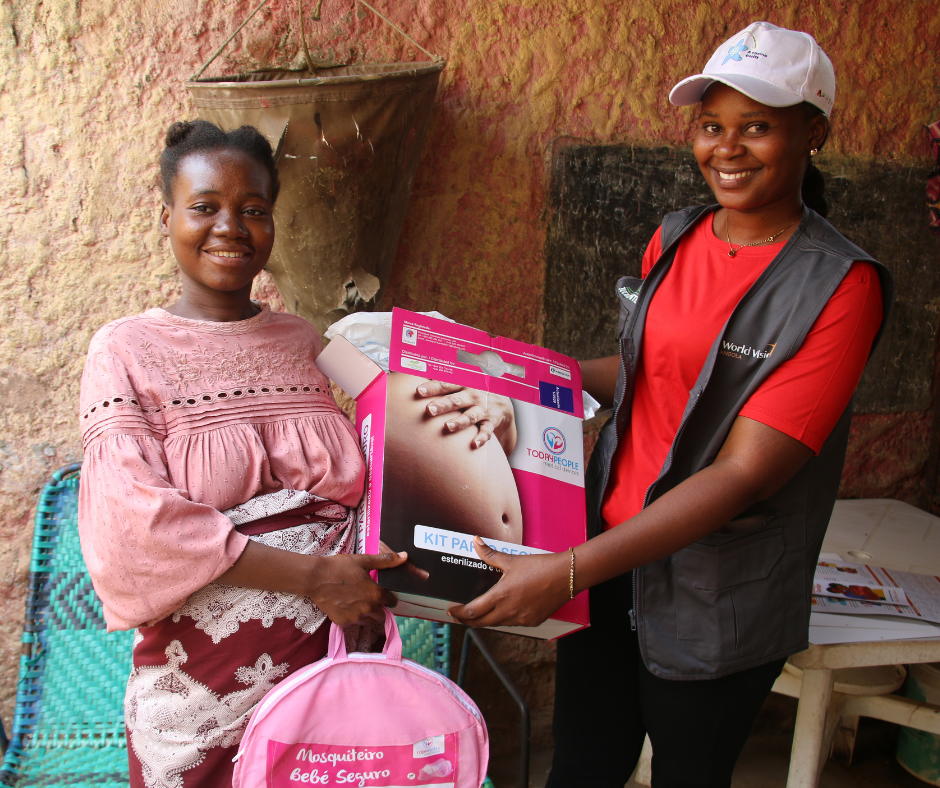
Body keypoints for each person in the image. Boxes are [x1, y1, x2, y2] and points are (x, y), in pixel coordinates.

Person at [445, 22, 894, 787]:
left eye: (757, 127)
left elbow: (743, 473)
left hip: (715, 587)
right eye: (711, 126)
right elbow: (642, 374)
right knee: (583, 766)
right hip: (609, 549)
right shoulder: (678, 236)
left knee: (688, 772)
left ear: (812, 131)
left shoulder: (840, 287)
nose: (727, 148)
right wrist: (512, 379)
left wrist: (566, 572)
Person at [78, 120, 409, 788]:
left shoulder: (299, 340)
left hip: (332, 661)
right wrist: (316, 578)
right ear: (167, 214)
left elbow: (373, 468)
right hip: (203, 685)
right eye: (205, 206)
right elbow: (130, 532)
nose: (230, 226)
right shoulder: (124, 350)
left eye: (253, 210)